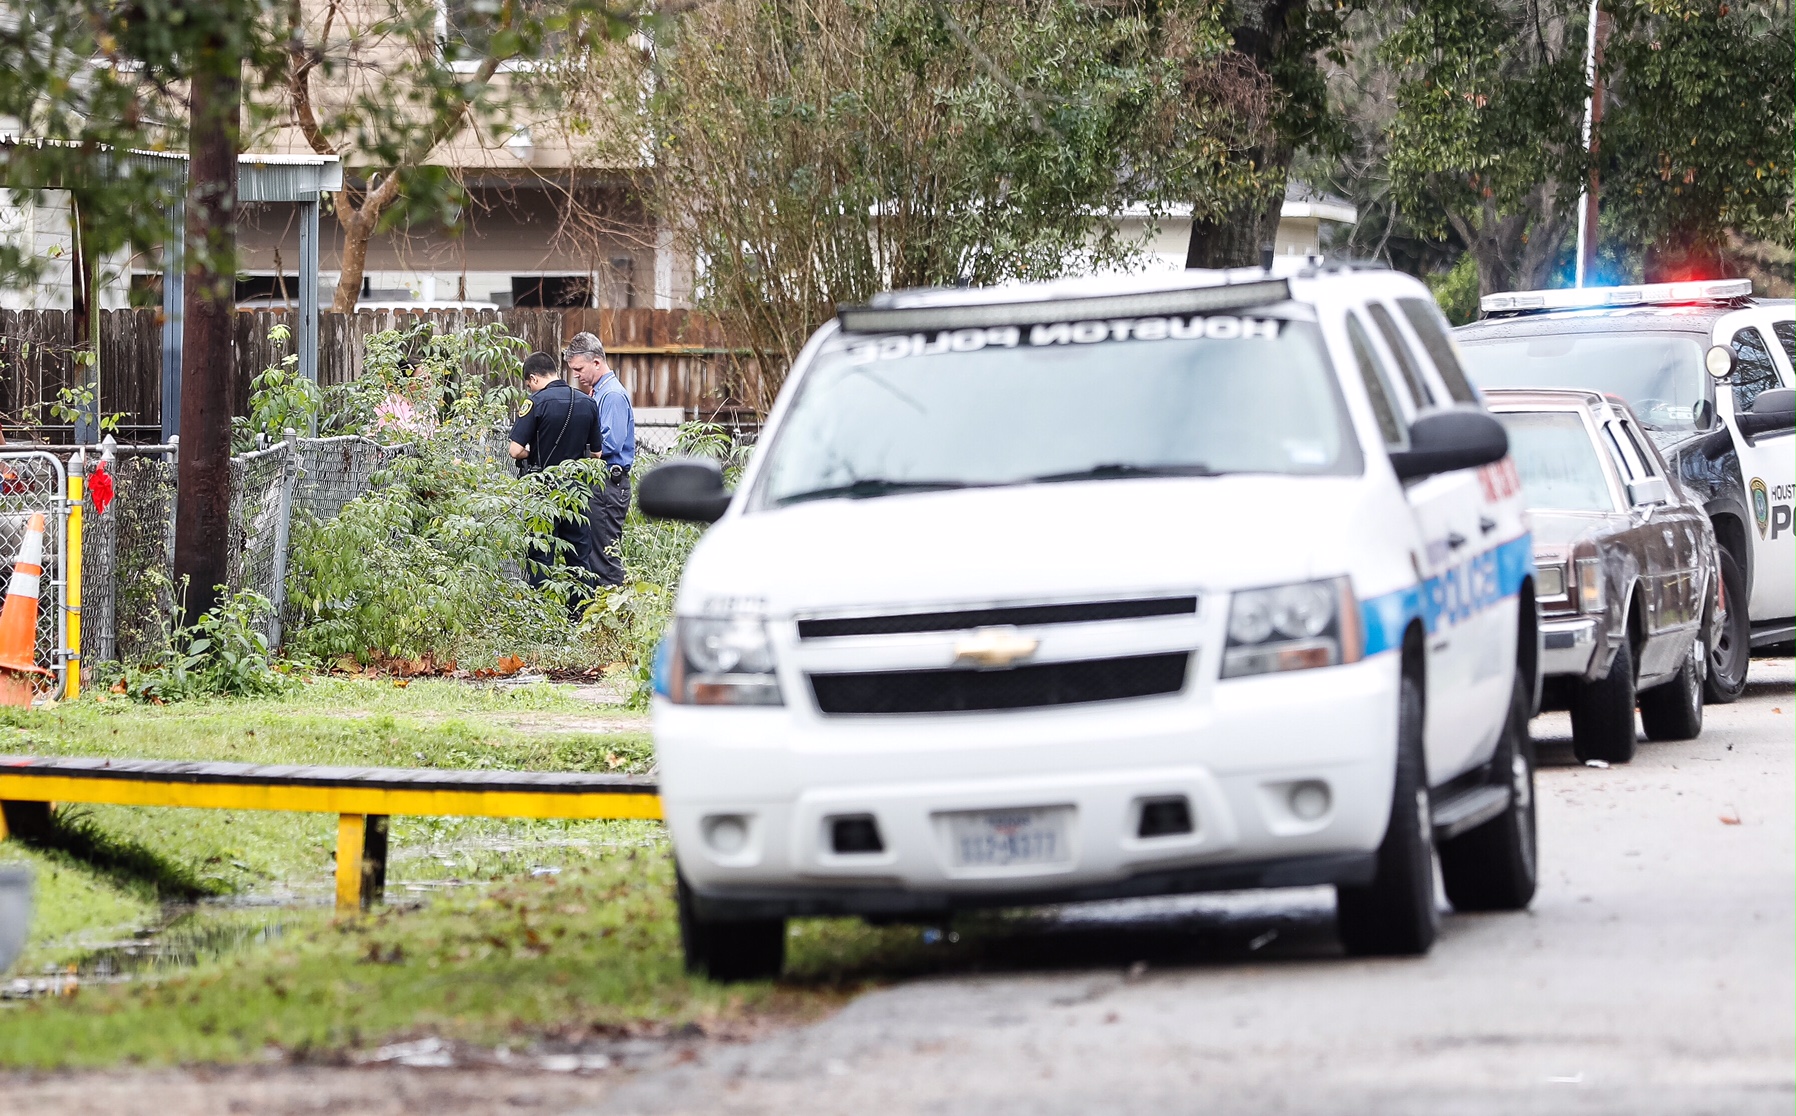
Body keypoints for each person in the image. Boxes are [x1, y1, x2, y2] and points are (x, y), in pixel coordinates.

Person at [509, 350, 603, 588]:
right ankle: (580, 613)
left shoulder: (535, 403)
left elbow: (515, 450)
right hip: (576, 491)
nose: (531, 389)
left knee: (541, 555)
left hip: (542, 489)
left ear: (534, 378)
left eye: (529, 385)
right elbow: (596, 453)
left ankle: (544, 611)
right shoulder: (588, 402)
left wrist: (535, 453)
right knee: (579, 554)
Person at [563, 331, 636, 586]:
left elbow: (609, 443)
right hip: (601, 484)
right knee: (595, 555)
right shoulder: (599, 392)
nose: (576, 375)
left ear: (596, 362)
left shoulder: (612, 395)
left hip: (608, 484)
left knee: (605, 558)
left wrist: (577, 449)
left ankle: (615, 618)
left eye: (579, 368)